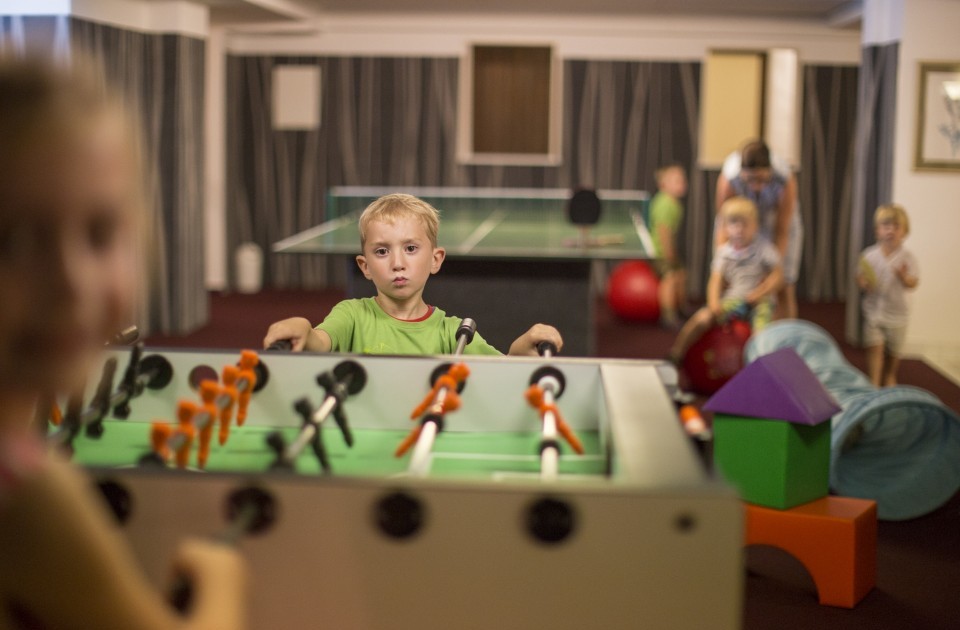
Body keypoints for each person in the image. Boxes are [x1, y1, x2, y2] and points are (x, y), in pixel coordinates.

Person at [0, 57, 247, 629]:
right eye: (13, 240)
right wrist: (222, 579)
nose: (72, 283)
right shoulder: (25, 497)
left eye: (101, 232)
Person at [263, 193, 563, 355]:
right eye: (382, 251)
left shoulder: (453, 332)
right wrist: (302, 327)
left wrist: (522, 349)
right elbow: (318, 342)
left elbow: (503, 372)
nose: (397, 263)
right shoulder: (351, 315)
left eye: (410, 248)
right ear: (364, 266)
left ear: (435, 259)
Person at [669, 197, 782, 365]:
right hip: (733, 300)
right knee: (702, 318)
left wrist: (760, 293)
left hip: (760, 302)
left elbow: (778, 276)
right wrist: (714, 303)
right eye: (733, 224)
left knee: (762, 333)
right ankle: (676, 354)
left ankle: (762, 368)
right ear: (725, 227)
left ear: (755, 226)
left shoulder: (764, 248)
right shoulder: (724, 252)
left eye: (745, 224)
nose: (739, 229)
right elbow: (715, 280)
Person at [715, 140, 802, 320]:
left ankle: (783, 331)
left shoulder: (784, 178)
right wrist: (725, 262)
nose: (756, 186)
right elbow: (724, 224)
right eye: (750, 180)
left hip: (774, 220)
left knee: (783, 283)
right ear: (742, 173)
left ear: (769, 170)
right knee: (728, 277)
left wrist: (771, 270)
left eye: (761, 179)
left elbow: (782, 229)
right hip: (742, 221)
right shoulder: (730, 177)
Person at [856, 204, 919, 387]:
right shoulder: (869, 255)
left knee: (893, 355)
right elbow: (860, 276)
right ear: (878, 230)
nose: (890, 231)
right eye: (886, 226)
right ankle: (874, 384)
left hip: (898, 315)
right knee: (874, 349)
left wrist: (904, 277)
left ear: (905, 231)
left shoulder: (908, 258)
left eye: (896, 226)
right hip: (873, 312)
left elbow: (913, 283)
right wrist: (863, 282)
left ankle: (889, 378)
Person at [648, 163, 690, 330]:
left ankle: (682, 308)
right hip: (658, 252)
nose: (682, 184)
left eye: (682, 180)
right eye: (676, 181)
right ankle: (668, 315)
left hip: (667, 250)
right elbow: (663, 231)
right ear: (663, 185)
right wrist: (668, 253)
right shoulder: (665, 203)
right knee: (670, 277)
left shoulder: (674, 204)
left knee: (682, 274)